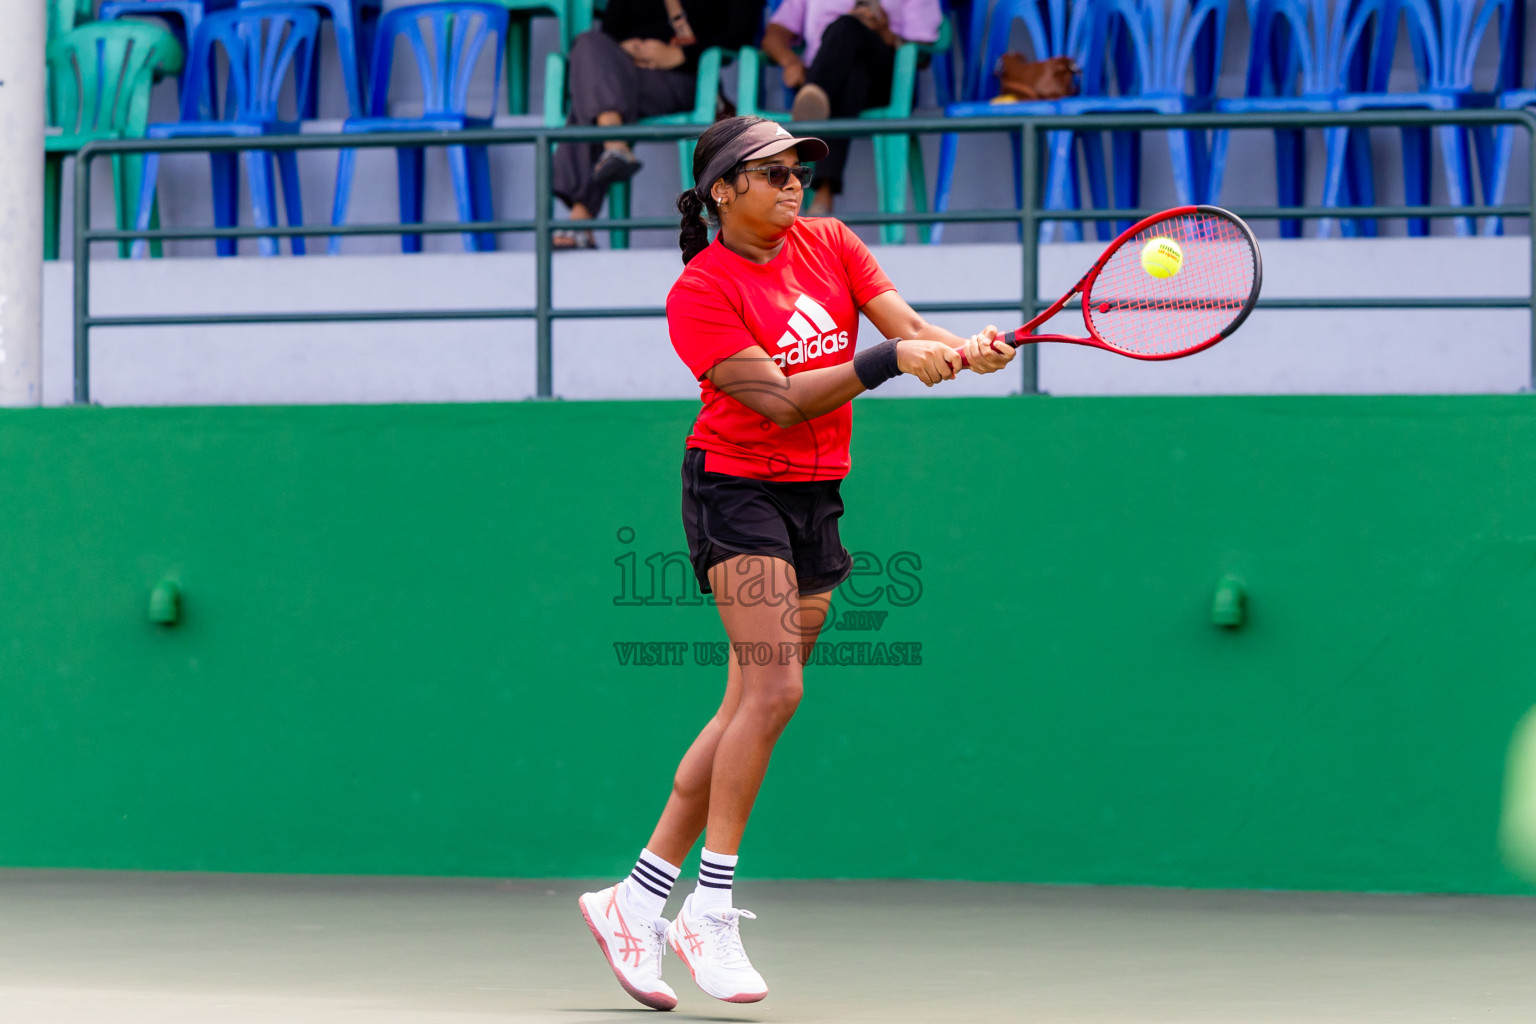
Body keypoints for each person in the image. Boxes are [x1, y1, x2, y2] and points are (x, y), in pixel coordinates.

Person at [577, 115, 1014, 1009]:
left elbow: (903, 326)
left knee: (747, 702)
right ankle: (711, 904)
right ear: (720, 192)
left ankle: (635, 899)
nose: (792, 182)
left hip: (819, 489)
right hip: (735, 487)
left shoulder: (834, 243)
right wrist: (893, 359)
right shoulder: (699, 291)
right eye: (768, 171)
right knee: (775, 691)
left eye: (797, 169)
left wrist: (960, 349)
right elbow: (778, 399)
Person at [552, 0, 765, 248]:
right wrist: (628, 49)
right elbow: (609, 35)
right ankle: (613, 139)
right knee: (588, 44)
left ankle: (583, 212)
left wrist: (678, 55)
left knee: (593, 96)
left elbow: (741, 33)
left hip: (683, 78)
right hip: (626, 73)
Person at [762, 0, 942, 215]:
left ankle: (815, 97)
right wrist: (790, 61)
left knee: (845, 25)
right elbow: (775, 33)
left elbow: (922, 56)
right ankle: (824, 192)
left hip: (888, 84)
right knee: (854, 74)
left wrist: (883, 30)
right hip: (844, 81)